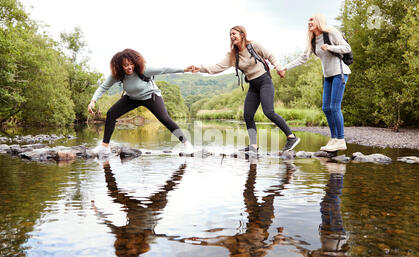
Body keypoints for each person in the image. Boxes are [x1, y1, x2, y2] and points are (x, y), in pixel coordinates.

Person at [192, 26, 300, 154]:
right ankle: (253, 145)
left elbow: (270, 56)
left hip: (265, 81)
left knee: (269, 112)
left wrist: (279, 68)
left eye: (234, 33)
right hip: (253, 85)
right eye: (230, 35)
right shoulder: (233, 55)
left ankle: (291, 137)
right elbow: (217, 68)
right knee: (248, 115)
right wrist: (200, 68)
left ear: (242, 34)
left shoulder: (254, 45)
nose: (232, 36)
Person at [88, 48, 195, 155]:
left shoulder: (144, 69)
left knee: (165, 119)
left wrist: (184, 69)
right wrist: (93, 101)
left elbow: (164, 69)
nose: (129, 67)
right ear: (120, 66)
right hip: (131, 98)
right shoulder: (117, 74)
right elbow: (103, 87)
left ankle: (187, 144)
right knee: (111, 114)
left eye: (131, 64)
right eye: (126, 65)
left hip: (150, 96)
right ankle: (104, 146)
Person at [280, 13, 351, 152]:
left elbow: (347, 48)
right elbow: (302, 58)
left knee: (334, 107)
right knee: (326, 108)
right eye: (308, 20)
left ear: (319, 21)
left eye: (311, 19)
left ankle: (341, 140)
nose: (309, 22)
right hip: (328, 76)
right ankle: (334, 139)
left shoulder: (331, 33)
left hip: (340, 72)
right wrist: (285, 67)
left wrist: (330, 47)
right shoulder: (312, 40)